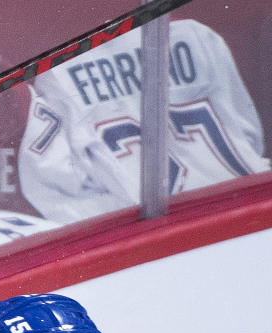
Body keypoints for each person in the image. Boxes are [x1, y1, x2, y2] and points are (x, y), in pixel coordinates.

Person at [17, 18, 270, 224]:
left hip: (159, 237)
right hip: (252, 216)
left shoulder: (59, 72)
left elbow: (58, 185)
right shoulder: (199, 36)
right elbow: (249, 137)